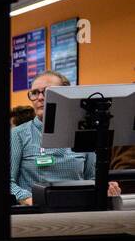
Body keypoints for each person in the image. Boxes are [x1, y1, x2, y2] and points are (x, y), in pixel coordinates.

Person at [10, 70, 119, 206]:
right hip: (37, 213)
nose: (40, 97)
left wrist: (105, 187)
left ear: (66, 95)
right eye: (35, 93)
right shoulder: (18, 135)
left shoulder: (82, 133)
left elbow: (92, 177)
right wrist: (30, 200)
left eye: (47, 91)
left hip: (79, 208)